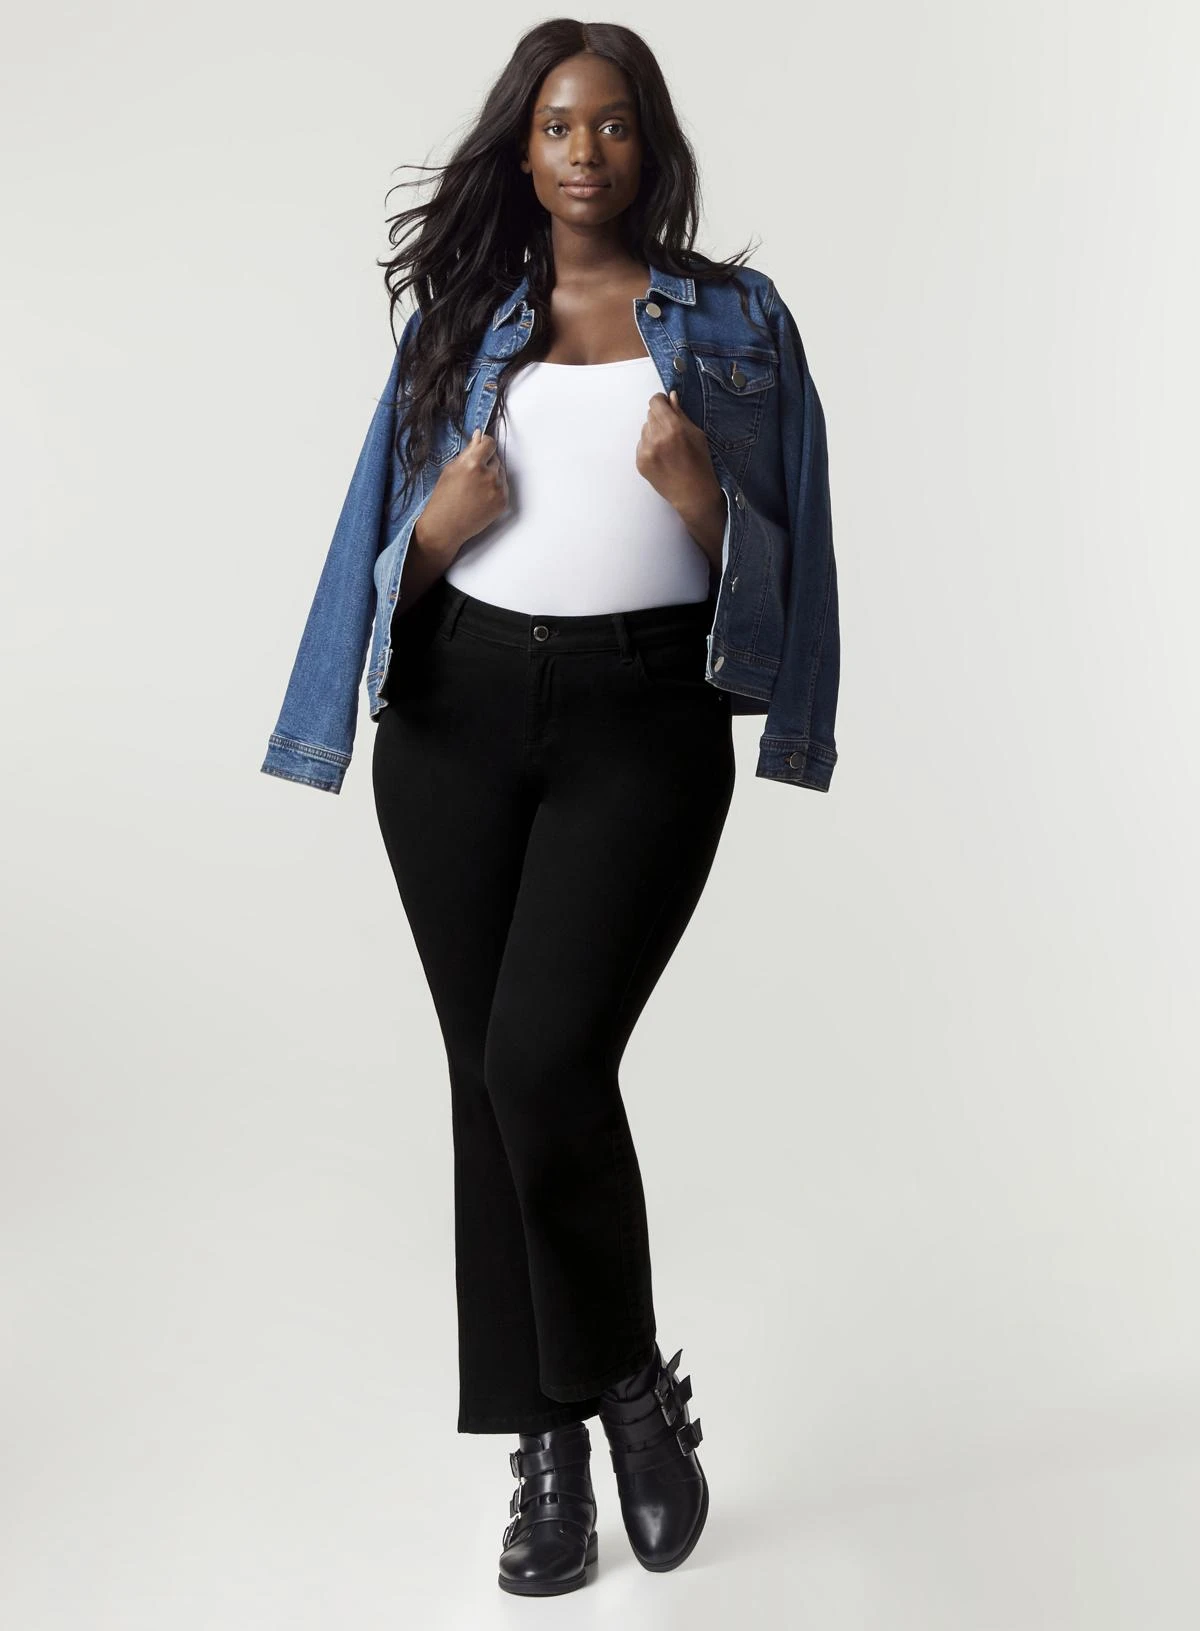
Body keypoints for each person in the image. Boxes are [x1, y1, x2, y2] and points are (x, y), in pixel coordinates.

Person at [261, 19, 840, 1599]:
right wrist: (441, 532)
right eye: (560, 125)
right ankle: (547, 1448)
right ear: (522, 150)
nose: (588, 151)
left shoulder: (738, 321)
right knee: (490, 1081)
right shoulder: (462, 319)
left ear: (650, 146)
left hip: (644, 723)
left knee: (542, 1057)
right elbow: (374, 558)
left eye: (616, 124)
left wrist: (705, 502)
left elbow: (798, 559)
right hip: (454, 720)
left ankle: (630, 1389)